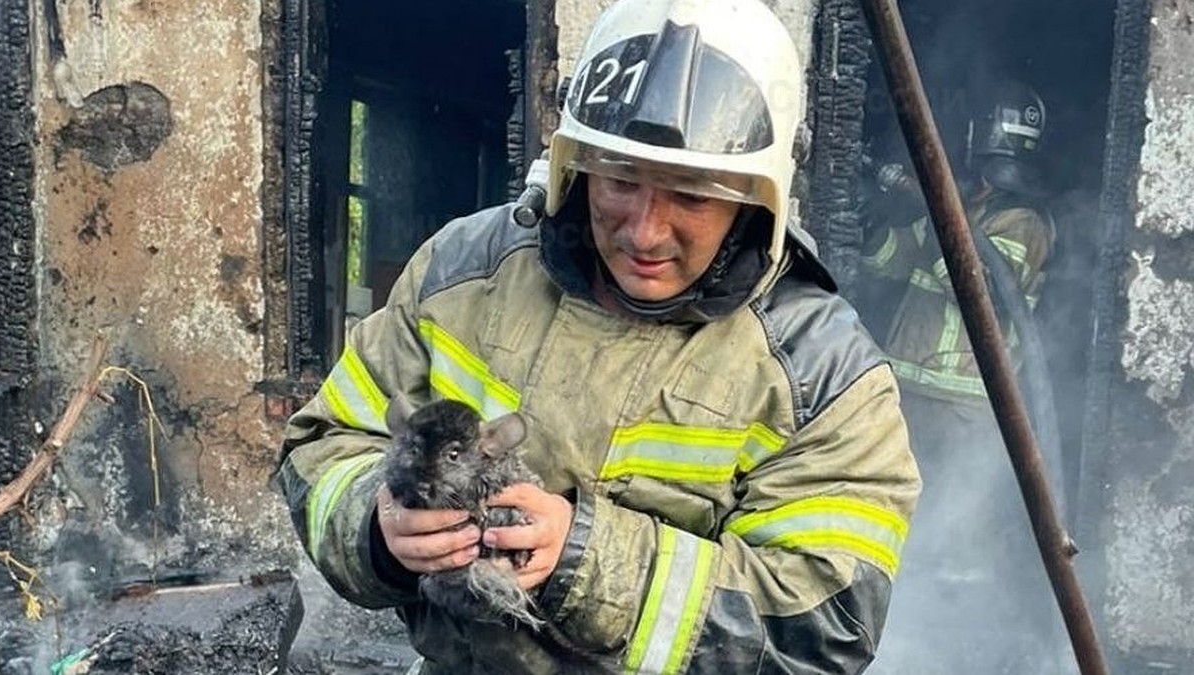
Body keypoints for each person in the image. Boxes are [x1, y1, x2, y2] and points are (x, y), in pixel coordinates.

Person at [277, 0, 920, 672]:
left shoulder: (822, 374)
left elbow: (824, 626)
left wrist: (585, 561)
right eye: (619, 180)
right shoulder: (463, 274)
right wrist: (376, 527)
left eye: (692, 195)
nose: (643, 230)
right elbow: (323, 444)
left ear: (757, 197)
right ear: (575, 165)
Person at [859, 80, 1070, 673]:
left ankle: (959, 643)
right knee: (893, 522)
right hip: (905, 396)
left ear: (981, 138)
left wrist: (925, 200)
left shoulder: (1026, 222)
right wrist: (877, 223)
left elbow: (976, 282)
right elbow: (897, 258)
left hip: (967, 410)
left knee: (956, 532)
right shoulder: (967, 206)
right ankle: (893, 634)